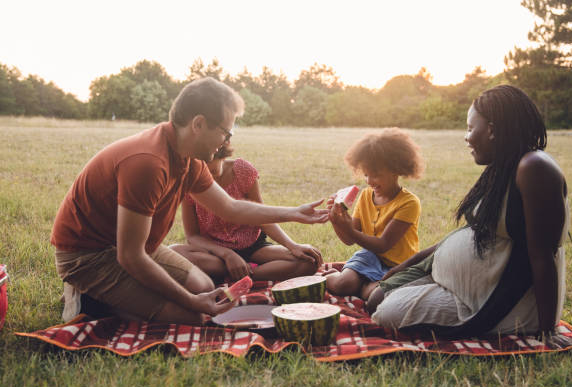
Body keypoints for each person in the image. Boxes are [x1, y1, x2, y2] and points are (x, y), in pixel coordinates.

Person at [51, 78, 328, 325]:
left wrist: (294, 213)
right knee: (193, 316)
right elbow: (130, 256)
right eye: (225, 132)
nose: (225, 143)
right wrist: (191, 302)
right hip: (88, 255)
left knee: (203, 285)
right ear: (198, 124)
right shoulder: (148, 163)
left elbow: (230, 207)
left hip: (137, 248)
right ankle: (91, 301)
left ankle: (128, 295)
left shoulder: (189, 158)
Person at [368, 85, 569, 339]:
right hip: (451, 279)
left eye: (470, 128)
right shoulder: (503, 166)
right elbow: (473, 230)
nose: (466, 137)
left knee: (386, 314)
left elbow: (543, 254)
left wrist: (548, 330)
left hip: (486, 303)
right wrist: (410, 262)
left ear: (493, 130)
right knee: (375, 299)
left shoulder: (534, 168)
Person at [171, 143, 323, 282]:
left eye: (210, 171)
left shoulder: (242, 170)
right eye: (200, 173)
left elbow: (262, 217)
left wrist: (292, 245)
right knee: (173, 253)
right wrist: (227, 255)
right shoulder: (191, 179)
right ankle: (238, 271)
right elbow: (192, 236)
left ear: (222, 154)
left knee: (308, 261)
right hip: (215, 253)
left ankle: (241, 274)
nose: (206, 178)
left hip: (253, 248)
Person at [322, 128, 424, 300]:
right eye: (366, 175)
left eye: (376, 175)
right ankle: (330, 277)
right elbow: (348, 240)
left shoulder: (409, 203)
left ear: (396, 170)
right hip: (369, 257)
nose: (369, 181)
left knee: (373, 296)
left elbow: (383, 244)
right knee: (342, 285)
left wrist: (350, 230)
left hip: (399, 265)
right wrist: (336, 220)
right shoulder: (365, 196)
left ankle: (360, 284)